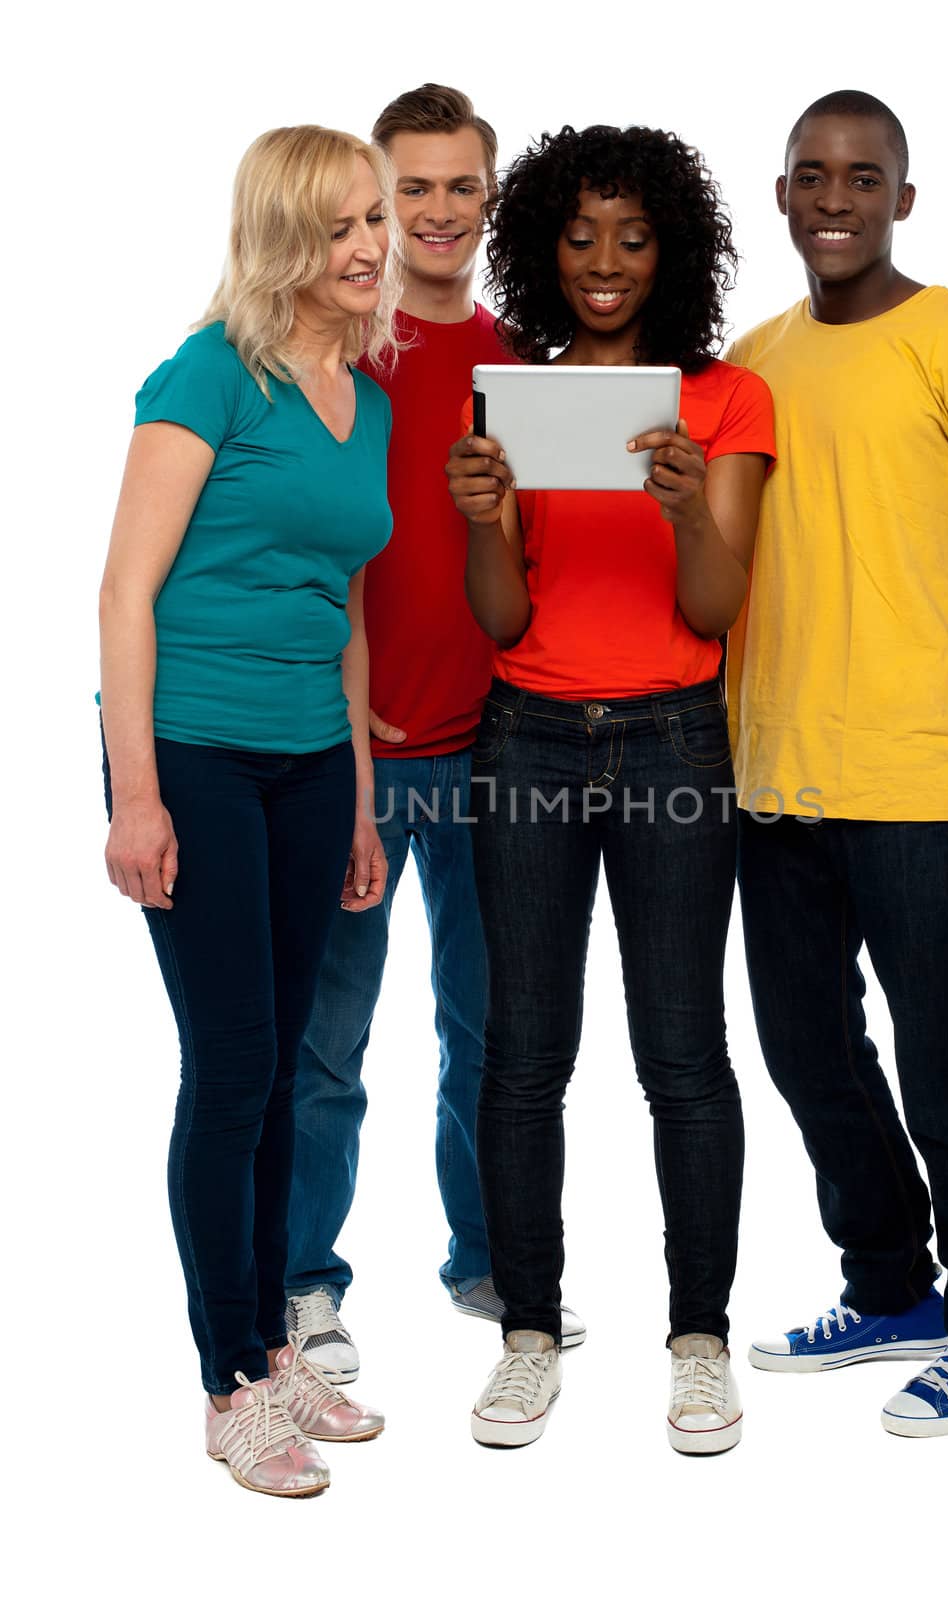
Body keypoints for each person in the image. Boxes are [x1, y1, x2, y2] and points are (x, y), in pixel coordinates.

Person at [727, 90, 948, 1436]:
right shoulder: (753, 361)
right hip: (773, 776)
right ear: (783, 194)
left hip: (921, 781)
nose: (836, 198)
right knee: (809, 1052)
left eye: (864, 177)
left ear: (903, 199)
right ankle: (890, 1289)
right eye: (812, 175)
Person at [446, 123, 775, 1454]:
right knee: (523, 1056)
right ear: (541, 247)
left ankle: (699, 1341)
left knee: (682, 1053)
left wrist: (689, 503)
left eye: (632, 238)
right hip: (525, 739)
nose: (602, 262)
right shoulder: (515, 397)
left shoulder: (723, 404)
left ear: (674, 253)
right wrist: (483, 518)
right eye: (578, 236)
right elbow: (500, 614)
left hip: (673, 742)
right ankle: (530, 1333)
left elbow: (714, 606)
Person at [99, 125, 394, 1496]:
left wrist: (359, 806)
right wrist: (138, 792)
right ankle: (227, 1387)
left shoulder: (366, 394)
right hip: (198, 756)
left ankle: (276, 1357)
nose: (369, 247)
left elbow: (344, 612)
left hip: (307, 762)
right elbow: (124, 594)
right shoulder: (207, 375)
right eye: (338, 226)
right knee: (231, 1072)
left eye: (375, 221)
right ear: (282, 235)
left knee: (280, 1071)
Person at [283, 86, 585, 1382]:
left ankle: (492, 1260)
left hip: (496, 757)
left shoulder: (522, 369)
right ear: (378, 199)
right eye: (414, 188)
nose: (440, 211)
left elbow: (559, 561)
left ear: (490, 198)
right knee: (326, 1042)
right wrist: (339, 707)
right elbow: (295, 551)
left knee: (497, 1034)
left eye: (463, 186)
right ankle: (302, 1280)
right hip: (356, 755)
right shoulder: (339, 356)